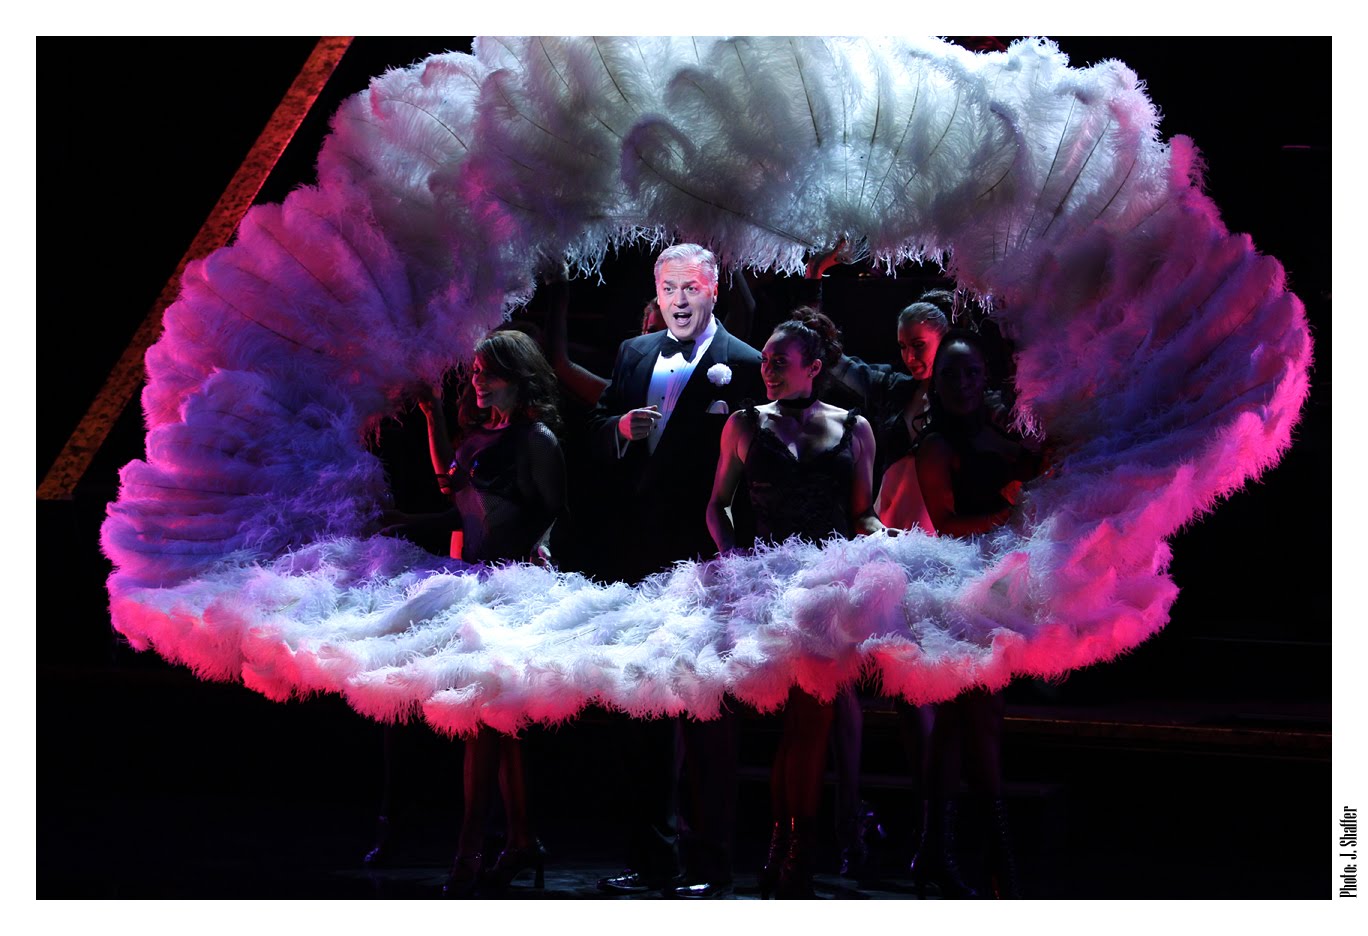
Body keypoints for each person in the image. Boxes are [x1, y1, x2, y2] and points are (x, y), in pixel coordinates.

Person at [587, 243, 763, 899]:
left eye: (691, 287)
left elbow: (754, 476)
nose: (679, 300)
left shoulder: (746, 364)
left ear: (714, 290)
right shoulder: (634, 353)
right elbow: (593, 432)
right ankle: (652, 860)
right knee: (642, 711)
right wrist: (618, 430)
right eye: (668, 288)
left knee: (706, 714)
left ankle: (709, 863)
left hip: (704, 562)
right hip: (638, 560)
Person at [706, 308, 882, 898]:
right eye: (764, 360)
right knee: (795, 728)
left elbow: (862, 512)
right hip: (766, 590)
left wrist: (883, 540)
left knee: (810, 724)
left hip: (827, 593)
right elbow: (717, 505)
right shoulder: (744, 423)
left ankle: (788, 855)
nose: (768, 370)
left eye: (780, 362)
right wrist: (734, 561)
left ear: (815, 366)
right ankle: (788, 853)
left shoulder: (854, 428)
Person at [391, 329, 568, 896]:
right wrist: (432, 415)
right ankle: (521, 840)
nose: (478, 380)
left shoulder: (537, 439)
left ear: (517, 376)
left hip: (514, 591)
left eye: (488, 371)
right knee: (498, 723)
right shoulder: (475, 439)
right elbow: (456, 495)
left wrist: (541, 549)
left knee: (486, 722)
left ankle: (469, 849)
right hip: (475, 588)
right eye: (473, 371)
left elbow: (553, 511)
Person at [912, 328, 1043, 899]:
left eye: (970, 372)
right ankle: (996, 860)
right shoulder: (936, 446)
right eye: (950, 374)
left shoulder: (1001, 431)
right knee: (978, 720)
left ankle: (936, 854)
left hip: (1005, 591)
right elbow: (946, 526)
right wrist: (1008, 512)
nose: (962, 382)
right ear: (936, 384)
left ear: (984, 376)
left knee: (961, 725)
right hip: (963, 593)